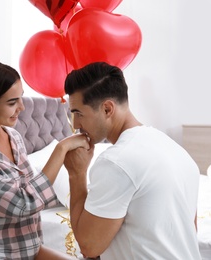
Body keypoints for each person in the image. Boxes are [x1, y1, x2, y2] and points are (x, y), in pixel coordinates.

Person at [0, 61, 89, 260]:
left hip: (26, 252)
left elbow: (30, 200)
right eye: (12, 102)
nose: (21, 107)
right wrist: (61, 149)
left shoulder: (14, 138)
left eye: (20, 98)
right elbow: (23, 204)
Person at [63, 61, 201, 259]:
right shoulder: (178, 152)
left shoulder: (116, 161)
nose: (75, 125)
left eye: (78, 113)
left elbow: (88, 246)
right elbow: (188, 233)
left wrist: (77, 173)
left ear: (107, 109)